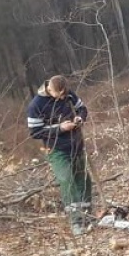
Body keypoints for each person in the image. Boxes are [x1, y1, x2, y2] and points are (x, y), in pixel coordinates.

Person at [26, 75, 93, 235]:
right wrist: (60, 128)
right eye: (60, 95)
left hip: (76, 145)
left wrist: (79, 118)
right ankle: (76, 221)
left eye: (65, 94)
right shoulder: (36, 105)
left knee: (83, 180)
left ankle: (88, 215)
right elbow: (35, 132)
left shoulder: (69, 94)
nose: (63, 97)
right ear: (50, 89)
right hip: (56, 149)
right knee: (67, 180)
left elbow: (82, 108)